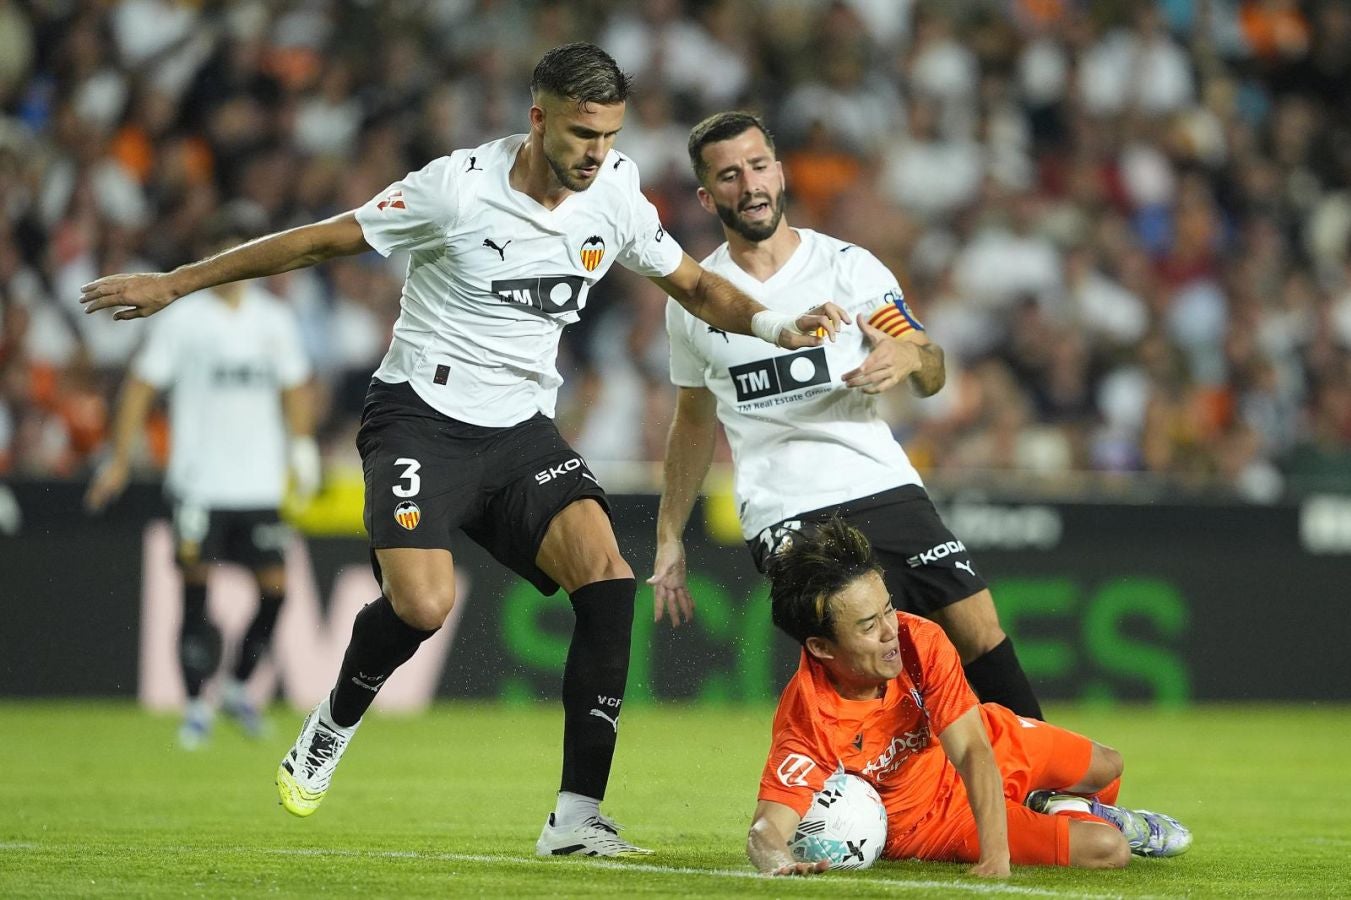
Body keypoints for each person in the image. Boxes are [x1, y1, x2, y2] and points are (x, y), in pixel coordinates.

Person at [80, 43, 845, 856]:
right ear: (538, 116)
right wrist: (174, 283)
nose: (597, 153)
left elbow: (692, 285)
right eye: (583, 133)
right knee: (423, 605)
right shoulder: (454, 189)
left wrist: (770, 323)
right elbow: (315, 242)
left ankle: (576, 819)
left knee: (609, 579)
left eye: (609, 136)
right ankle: (332, 723)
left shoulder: (616, 195)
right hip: (420, 416)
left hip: (519, 429)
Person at [649, 111, 1043, 720]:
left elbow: (933, 367)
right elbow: (693, 422)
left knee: (977, 629)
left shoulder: (850, 268)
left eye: (758, 167)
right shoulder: (697, 300)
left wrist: (905, 356)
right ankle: (870, 800)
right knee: (860, 652)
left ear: (779, 173)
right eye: (729, 176)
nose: (749, 185)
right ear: (706, 196)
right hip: (786, 509)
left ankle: (1046, 787)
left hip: (880, 482)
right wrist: (670, 535)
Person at [748, 517, 1191, 877]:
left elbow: (974, 749)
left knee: (1108, 767)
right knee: (1108, 848)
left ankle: (1055, 802)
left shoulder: (917, 638)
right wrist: (782, 864)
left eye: (888, 608)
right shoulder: (810, 719)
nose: (890, 631)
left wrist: (997, 856)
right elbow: (767, 829)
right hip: (934, 822)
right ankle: (1076, 814)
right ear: (821, 647)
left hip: (982, 744)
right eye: (868, 626)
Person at [85, 206, 320, 750]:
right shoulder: (183, 320)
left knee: (276, 592)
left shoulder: (273, 320)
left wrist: (302, 448)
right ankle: (195, 706)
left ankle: (237, 687)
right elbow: (141, 387)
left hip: (259, 482)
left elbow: (296, 387)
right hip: (200, 482)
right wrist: (119, 458)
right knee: (195, 591)